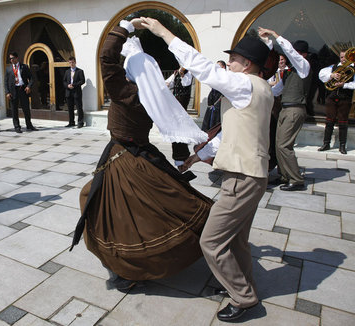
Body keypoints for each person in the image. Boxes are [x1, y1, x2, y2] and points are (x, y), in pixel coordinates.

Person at [141, 17, 274, 322]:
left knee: (211, 241)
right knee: (236, 239)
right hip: (252, 175)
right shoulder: (261, 88)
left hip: (242, 178)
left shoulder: (244, 85)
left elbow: (204, 68)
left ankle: (245, 299)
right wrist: (195, 158)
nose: (230, 63)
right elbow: (232, 134)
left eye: (235, 59)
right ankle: (242, 285)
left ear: (249, 64)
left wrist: (162, 33)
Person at [70, 19, 213, 292]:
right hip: (140, 154)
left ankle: (124, 269)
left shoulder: (125, 92)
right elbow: (173, 125)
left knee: (105, 209)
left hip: (124, 157)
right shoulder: (151, 95)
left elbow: (105, 58)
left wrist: (125, 26)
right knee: (146, 208)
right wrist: (180, 158)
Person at [259, 28, 311, 191]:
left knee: (284, 145)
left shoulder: (303, 67)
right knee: (277, 143)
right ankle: (284, 174)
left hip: (295, 110)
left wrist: (275, 36)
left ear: (303, 54)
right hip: (285, 109)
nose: (292, 55)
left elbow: (290, 52)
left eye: (297, 52)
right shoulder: (289, 73)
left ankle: (296, 179)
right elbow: (276, 90)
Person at [318, 49, 355, 154]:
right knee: (329, 121)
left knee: (343, 122)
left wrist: (344, 85)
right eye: (342, 57)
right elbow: (321, 75)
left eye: (345, 57)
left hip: (345, 98)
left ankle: (342, 146)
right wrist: (332, 75)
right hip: (331, 97)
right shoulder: (333, 67)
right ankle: (326, 143)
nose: (343, 59)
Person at [165, 66, 193, 165]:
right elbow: (168, 83)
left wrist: (181, 73)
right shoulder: (176, 73)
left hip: (182, 104)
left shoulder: (188, 73)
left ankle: (182, 156)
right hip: (175, 103)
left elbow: (185, 83)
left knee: (180, 129)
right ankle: (178, 157)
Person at [267, 54, 289, 172]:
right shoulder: (272, 72)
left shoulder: (288, 72)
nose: (280, 62)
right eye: (278, 60)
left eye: (282, 60)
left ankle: (281, 168)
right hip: (272, 104)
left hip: (283, 104)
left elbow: (279, 88)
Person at [5, 52, 37, 133]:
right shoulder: (8, 69)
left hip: (22, 89)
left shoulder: (24, 67)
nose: (11, 60)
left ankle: (29, 125)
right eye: (10, 59)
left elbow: (31, 78)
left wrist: (29, 86)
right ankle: (17, 126)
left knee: (26, 109)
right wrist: (7, 92)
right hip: (13, 91)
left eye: (12, 58)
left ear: (16, 58)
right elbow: (6, 82)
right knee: (14, 109)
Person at [201, 60, 226, 132]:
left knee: (216, 123)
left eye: (218, 66)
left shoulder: (225, 77)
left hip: (219, 102)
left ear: (223, 67)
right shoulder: (215, 76)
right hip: (212, 102)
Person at [63, 57, 85, 128]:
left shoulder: (80, 71)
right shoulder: (67, 72)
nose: (71, 64)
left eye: (72, 62)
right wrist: (68, 85)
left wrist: (74, 85)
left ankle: (80, 122)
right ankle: (71, 122)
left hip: (76, 92)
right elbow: (64, 81)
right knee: (70, 108)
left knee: (79, 108)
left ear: (75, 62)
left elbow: (82, 81)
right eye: (70, 63)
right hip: (69, 92)